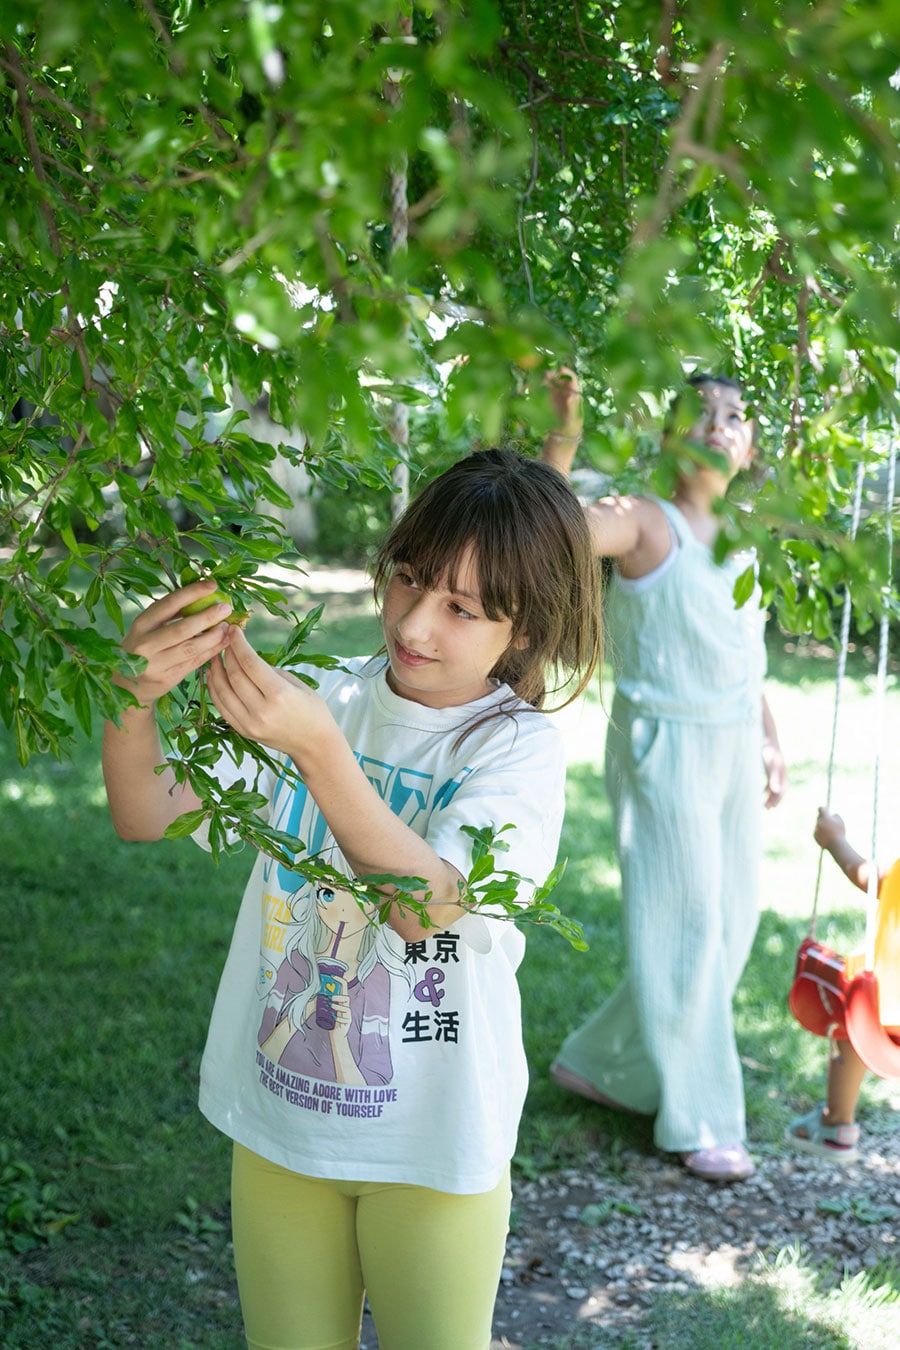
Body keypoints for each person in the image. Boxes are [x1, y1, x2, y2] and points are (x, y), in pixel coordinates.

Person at [101, 447, 602, 1350]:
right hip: (280, 1123)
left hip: (432, 1145)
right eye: (409, 579)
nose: (414, 622)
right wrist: (131, 699)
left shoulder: (515, 751)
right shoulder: (330, 690)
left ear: (522, 633)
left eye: (462, 608)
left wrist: (319, 752)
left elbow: (428, 909)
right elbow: (146, 814)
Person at [542, 369, 787, 1183]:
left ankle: (603, 1062)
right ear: (666, 435)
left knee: (731, 922)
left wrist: (768, 738)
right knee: (688, 926)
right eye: (700, 411)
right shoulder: (645, 521)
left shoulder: (741, 540)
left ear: (749, 447)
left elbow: (743, 654)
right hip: (664, 746)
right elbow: (556, 529)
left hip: (728, 743)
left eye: (734, 415)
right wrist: (565, 436)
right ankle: (700, 1116)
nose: (718, 424)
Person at [786, 806, 900, 1162]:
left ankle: (837, 1125)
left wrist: (834, 839)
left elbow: (863, 874)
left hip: (887, 1008)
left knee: (851, 1026)